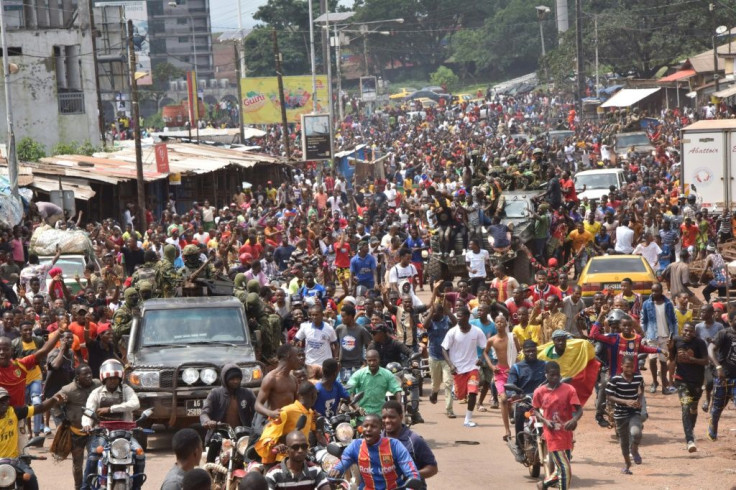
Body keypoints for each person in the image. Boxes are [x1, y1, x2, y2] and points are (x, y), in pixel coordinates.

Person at [81, 359, 145, 490]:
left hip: (125, 433)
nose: (112, 381)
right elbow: (88, 411)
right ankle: (85, 487)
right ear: (104, 378)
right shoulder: (96, 393)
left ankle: (137, 486)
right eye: (109, 378)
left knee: (140, 454)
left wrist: (111, 409)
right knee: (93, 455)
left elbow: (135, 404)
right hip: (102, 433)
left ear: (120, 378)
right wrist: (87, 424)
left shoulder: (126, 390)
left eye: (115, 378)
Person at [329, 413, 420, 490]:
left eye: (373, 426)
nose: (368, 429)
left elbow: (413, 474)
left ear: (381, 428)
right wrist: (336, 470)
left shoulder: (395, 445)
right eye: (366, 426)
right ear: (361, 428)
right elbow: (343, 462)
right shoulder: (355, 446)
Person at [0, 386, 66, 490]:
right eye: (0, 400)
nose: (2, 403)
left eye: (5, 400)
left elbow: (40, 408)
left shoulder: (14, 412)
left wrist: (54, 399)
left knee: (30, 479)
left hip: (14, 461)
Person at [532, 361, 582, 490]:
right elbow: (535, 410)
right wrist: (544, 420)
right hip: (552, 433)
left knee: (562, 466)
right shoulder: (540, 392)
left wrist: (574, 419)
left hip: (566, 432)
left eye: (557, 375)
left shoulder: (569, 389)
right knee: (565, 468)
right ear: (546, 375)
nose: (555, 378)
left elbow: (579, 409)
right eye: (552, 375)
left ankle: (544, 484)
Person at [441, 306, 487, 428]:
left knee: (473, 392)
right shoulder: (452, 332)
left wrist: (481, 359)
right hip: (457, 369)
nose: (458, 318)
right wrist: (450, 365)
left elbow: (485, 347)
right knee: (460, 395)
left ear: (467, 317)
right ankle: (455, 391)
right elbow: (444, 349)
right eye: (457, 316)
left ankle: (468, 419)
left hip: (472, 367)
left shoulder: (476, 331)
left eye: (460, 316)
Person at [254, 382, 321, 464]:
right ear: (313, 396)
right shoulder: (286, 411)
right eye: (313, 395)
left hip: (303, 457)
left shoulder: (311, 413)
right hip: (284, 459)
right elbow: (269, 436)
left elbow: (316, 432)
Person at [58, 364, 101, 490]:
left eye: (90, 373)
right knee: (78, 465)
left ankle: (93, 486)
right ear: (77, 377)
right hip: (76, 432)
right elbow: (54, 403)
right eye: (85, 374)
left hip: (93, 431)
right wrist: (62, 418)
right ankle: (78, 487)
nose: (89, 376)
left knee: (95, 460)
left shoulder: (97, 384)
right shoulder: (67, 390)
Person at [667, 323, 708, 453]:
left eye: (691, 331)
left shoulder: (700, 343)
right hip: (681, 380)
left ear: (694, 333)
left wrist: (691, 358)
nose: (687, 333)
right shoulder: (676, 340)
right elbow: (672, 359)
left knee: (693, 408)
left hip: (696, 381)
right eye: (685, 331)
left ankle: (691, 429)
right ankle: (689, 440)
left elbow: (706, 361)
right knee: (685, 406)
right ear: (681, 331)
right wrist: (670, 380)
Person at [506, 340, 547, 462]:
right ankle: (519, 446)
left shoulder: (545, 365)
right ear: (523, 352)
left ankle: (564, 447)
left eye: (533, 351)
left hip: (544, 401)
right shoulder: (517, 367)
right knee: (519, 412)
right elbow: (510, 384)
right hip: (525, 401)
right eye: (528, 351)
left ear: (537, 351)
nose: (531, 353)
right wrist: (513, 394)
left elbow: (554, 379)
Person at [200, 364, 256, 449]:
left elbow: (257, 412)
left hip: (243, 435)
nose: (236, 381)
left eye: (238, 378)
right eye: (232, 379)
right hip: (220, 433)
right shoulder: (215, 393)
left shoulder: (248, 393)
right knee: (214, 446)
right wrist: (208, 422)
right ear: (225, 380)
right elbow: (204, 412)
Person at [606, 355, 645, 474]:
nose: (629, 369)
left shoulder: (638, 377)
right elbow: (609, 396)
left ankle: (634, 450)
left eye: (632, 367)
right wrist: (625, 401)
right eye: (627, 366)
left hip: (634, 412)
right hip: (620, 414)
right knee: (623, 443)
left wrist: (639, 401)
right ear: (621, 366)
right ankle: (627, 465)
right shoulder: (615, 379)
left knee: (636, 433)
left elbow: (641, 390)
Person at [381, 400, 438, 483]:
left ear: (401, 417)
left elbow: (432, 468)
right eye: (384, 417)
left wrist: (411, 475)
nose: (387, 420)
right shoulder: (377, 441)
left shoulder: (414, 440)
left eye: (392, 417)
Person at [483, 314, 519, 439]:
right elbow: (485, 353)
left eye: (502, 322)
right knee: (503, 399)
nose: (499, 324)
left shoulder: (512, 337)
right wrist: (492, 367)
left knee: (512, 400)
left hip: (512, 372)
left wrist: (515, 368)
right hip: (500, 373)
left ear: (506, 323)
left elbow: (519, 353)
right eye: (497, 322)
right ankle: (507, 430)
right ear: (495, 324)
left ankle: (510, 414)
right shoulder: (492, 340)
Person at [640, 283, 678, 395]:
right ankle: (654, 381)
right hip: (651, 336)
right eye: (652, 291)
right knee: (652, 359)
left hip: (665, 336)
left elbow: (674, 321)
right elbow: (643, 320)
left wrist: (674, 336)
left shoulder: (668, 304)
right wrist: (644, 335)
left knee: (663, 361)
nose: (654, 293)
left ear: (661, 291)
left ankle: (664, 386)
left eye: (656, 291)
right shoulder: (647, 304)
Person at [254, 345, 300, 432]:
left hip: (290, 424)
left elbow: (297, 404)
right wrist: (270, 413)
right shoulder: (271, 379)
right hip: (275, 425)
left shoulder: (293, 379)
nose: (299, 359)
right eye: (296, 356)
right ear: (288, 355)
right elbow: (257, 405)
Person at [265, 430, 330, 489]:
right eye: (295, 447)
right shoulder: (274, 474)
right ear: (287, 450)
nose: (300, 450)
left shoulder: (315, 470)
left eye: (304, 446)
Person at [347, 349, 402, 416]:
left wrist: (398, 407)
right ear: (366, 361)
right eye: (369, 360)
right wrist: (357, 408)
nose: (372, 363)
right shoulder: (358, 374)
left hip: (381, 415)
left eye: (374, 360)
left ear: (379, 360)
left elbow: (397, 390)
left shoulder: (387, 374)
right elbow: (349, 391)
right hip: (362, 416)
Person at [707, 318, 736, 441]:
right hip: (723, 377)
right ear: (731, 321)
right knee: (717, 408)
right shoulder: (724, 333)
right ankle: (712, 432)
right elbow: (710, 349)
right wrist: (718, 367)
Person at [425, 302, 455, 418]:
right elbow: (424, 325)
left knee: (448, 383)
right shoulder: (430, 321)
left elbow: (456, 324)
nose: (433, 314)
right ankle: (434, 393)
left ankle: (449, 409)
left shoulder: (447, 320)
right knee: (436, 384)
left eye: (436, 311)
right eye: (432, 311)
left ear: (441, 312)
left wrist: (449, 312)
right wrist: (430, 313)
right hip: (434, 356)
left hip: (447, 357)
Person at [336, 304, 372, 383]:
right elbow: (336, 345)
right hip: (343, 365)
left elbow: (370, 345)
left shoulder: (361, 330)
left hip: (357, 365)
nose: (341, 319)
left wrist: (366, 361)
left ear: (351, 316)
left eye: (343, 316)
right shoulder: (339, 329)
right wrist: (337, 359)